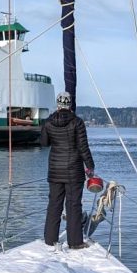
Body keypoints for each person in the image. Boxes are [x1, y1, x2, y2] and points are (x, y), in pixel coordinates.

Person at [40, 91, 95, 250]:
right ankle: (75, 242)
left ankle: (50, 240)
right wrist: (90, 166)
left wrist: (45, 129)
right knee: (73, 206)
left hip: (55, 170)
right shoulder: (77, 122)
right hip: (73, 170)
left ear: (57, 104)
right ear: (69, 104)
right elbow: (83, 147)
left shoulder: (48, 122)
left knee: (54, 205)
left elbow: (44, 143)